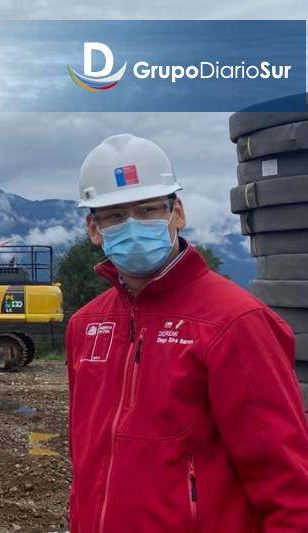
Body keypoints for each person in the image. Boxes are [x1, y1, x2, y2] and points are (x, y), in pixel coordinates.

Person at [66, 134, 308, 532]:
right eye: (114, 216)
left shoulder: (235, 323)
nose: (132, 227)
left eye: (146, 210)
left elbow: (287, 484)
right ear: (94, 228)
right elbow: (89, 462)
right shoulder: (86, 325)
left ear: (176, 212)